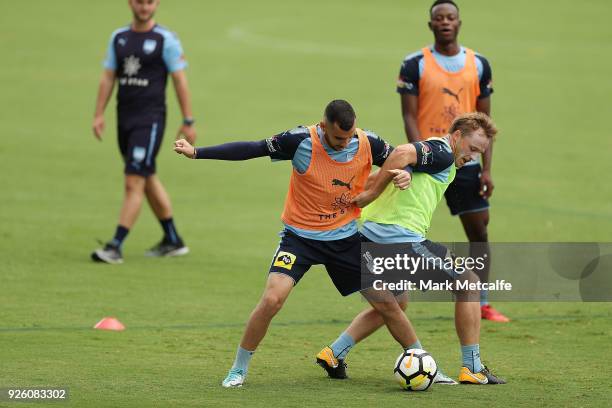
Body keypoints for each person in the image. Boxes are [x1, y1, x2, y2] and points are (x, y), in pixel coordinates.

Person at [174, 100, 429, 388]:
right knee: (272, 300)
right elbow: (253, 148)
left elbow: (399, 160)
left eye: (348, 137)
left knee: (389, 303)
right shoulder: (298, 141)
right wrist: (197, 153)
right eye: (337, 138)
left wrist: (405, 174)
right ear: (323, 127)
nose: (344, 143)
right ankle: (238, 368)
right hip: (299, 241)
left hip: (344, 240)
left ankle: (424, 361)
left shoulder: (368, 142)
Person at [320, 112, 506, 384]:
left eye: (481, 152)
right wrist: (370, 195)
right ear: (456, 136)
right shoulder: (442, 152)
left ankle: (333, 353)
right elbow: (403, 151)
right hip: (400, 240)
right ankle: (473, 367)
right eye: (473, 148)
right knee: (468, 283)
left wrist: (364, 193)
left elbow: (381, 173)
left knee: (396, 303)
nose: (474, 156)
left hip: (371, 237)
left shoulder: (438, 155)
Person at [397, 0, 508, 322]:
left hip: (466, 164)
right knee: (409, 229)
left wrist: (486, 169)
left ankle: (482, 301)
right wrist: (421, 155)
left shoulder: (478, 64)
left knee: (479, 232)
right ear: (430, 25)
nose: (445, 22)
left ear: (459, 23)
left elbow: (485, 122)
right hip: (430, 160)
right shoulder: (414, 63)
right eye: (439, 18)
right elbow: (408, 114)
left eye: (451, 17)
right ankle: (397, 296)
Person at [91, 0, 195, 264]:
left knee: (133, 180)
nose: (145, 6)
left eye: (150, 2)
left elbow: (180, 80)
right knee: (146, 176)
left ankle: (115, 245)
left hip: (149, 121)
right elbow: (108, 76)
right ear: (130, 3)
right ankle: (173, 239)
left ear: (156, 3)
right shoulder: (119, 38)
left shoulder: (165, 40)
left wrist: (188, 120)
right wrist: (98, 113)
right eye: (140, 1)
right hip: (123, 119)